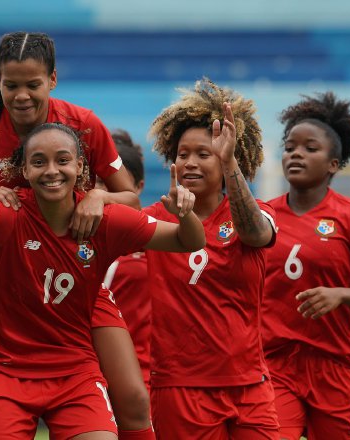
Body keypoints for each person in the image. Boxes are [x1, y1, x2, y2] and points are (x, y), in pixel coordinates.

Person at [0, 31, 153, 440]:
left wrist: (98, 196)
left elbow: (132, 198)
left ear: (52, 80)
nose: (21, 95)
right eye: (10, 85)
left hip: (76, 274)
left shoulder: (85, 125)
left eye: (32, 85)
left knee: (133, 398)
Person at [0, 124, 205, 439]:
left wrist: (185, 214)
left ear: (80, 166)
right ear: (24, 169)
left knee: (131, 402)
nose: (51, 171)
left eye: (62, 160)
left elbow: (188, 241)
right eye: (38, 162)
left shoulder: (106, 219)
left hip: (74, 371)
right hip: (7, 372)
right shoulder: (3, 213)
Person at [145, 78, 279, 439]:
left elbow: (256, 235)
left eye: (203, 154)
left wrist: (229, 160)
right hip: (181, 388)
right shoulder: (153, 219)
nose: (189, 162)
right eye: (182, 153)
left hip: (251, 384)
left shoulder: (256, 213)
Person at [262, 92, 350, 439]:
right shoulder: (262, 218)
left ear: (333, 164)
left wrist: (341, 295)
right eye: (290, 146)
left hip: (335, 367)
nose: (296, 153)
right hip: (274, 364)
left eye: (310, 148)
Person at [99, 130, 150, 389]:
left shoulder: (157, 235)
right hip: (94, 375)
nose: (104, 193)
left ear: (138, 188)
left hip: (152, 376)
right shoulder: (70, 235)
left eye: (116, 185)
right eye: (99, 183)